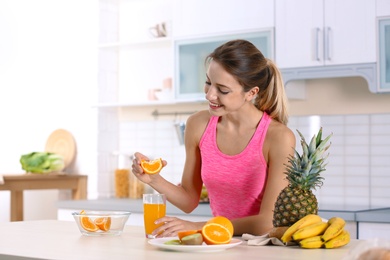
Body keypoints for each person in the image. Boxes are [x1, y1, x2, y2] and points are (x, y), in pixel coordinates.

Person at [131, 39, 296, 237]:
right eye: (208, 82)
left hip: (262, 247)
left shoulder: (278, 138)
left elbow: (266, 223)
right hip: (218, 243)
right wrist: (154, 179)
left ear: (251, 93)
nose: (210, 95)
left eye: (222, 90)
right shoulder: (198, 125)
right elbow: (189, 201)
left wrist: (198, 226)